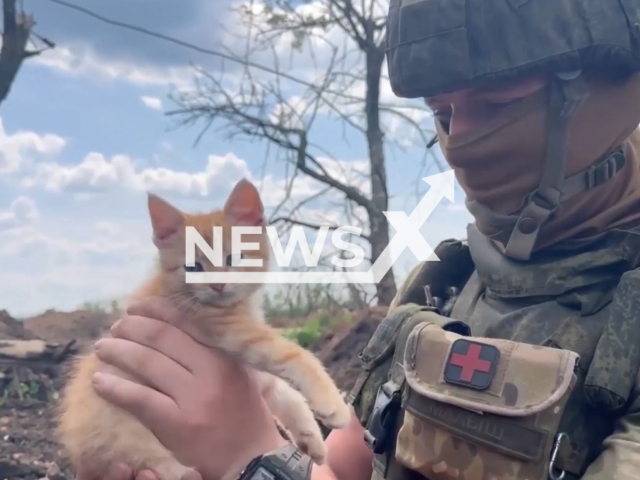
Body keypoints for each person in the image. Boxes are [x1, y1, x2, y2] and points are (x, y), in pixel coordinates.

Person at [76, 0, 640, 479]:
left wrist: (252, 459)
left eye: (499, 104)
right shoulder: (445, 286)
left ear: (607, 95)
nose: (460, 139)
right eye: (442, 113)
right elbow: (343, 468)